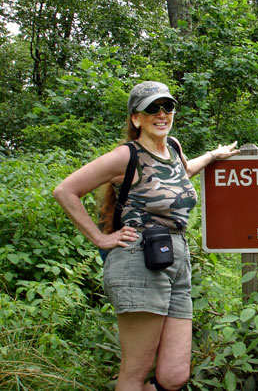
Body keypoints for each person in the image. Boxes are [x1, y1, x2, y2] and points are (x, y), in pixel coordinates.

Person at [53, 81, 240, 391]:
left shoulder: (173, 148)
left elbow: (179, 175)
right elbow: (65, 191)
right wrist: (101, 239)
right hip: (138, 259)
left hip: (175, 260)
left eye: (167, 107)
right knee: (135, 372)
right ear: (136, 118)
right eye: (152, 108)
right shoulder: (126, 156)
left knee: (173, 375)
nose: (161, 113)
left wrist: (211, 156)